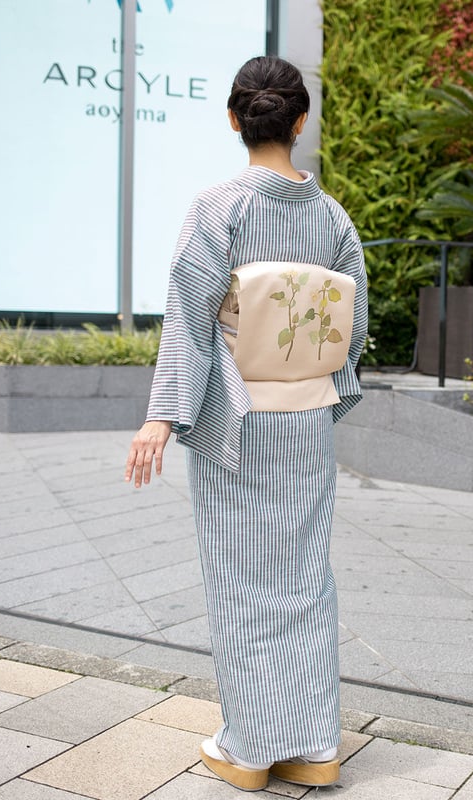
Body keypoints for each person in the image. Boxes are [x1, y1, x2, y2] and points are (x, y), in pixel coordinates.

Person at [125, 55, 368, 792]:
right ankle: (315, 746)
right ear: (300, 122)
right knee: (303, 581)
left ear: (235, 119)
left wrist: (161, 419)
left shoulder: (219, 208)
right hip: (307, 421)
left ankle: (252, 749)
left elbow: (190, 322)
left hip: (238, 420)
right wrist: (320, 385)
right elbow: (350, 331)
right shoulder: (331, 217)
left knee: (240, 579)